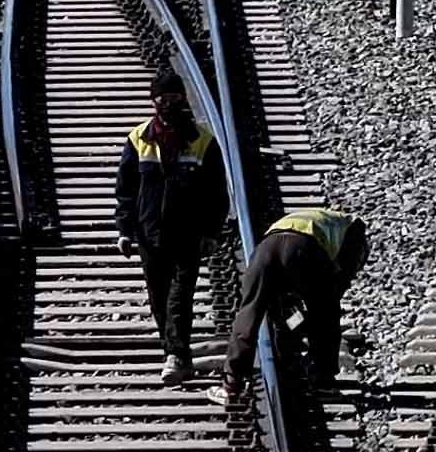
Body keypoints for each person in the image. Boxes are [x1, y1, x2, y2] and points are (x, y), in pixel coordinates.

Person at [112, 73, 222, 386]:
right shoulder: (138, 139)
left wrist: (211, 232)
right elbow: (126, 190)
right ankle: (175, 353)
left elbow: (216, 192)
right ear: (154, 101)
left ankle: (176, 354)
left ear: (183, 99)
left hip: (188, 234)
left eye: (174, 98)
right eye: (163, 99)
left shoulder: (202, 141)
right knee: (158, 297)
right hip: (150, 234)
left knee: (179, 296)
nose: (169, 104)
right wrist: (124, 230)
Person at [223, 204, 367, 389]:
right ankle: (323, 375)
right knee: (326, 312)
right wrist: (312, 319)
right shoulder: (354, 231)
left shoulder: (327, 220)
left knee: (251, 310)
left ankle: (233, 377)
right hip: (304, 247)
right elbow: (337, 285)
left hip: (266, 248)